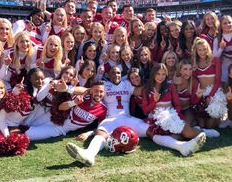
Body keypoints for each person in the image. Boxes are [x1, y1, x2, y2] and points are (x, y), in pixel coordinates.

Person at [66, 66, 206, 166]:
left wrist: (165, 83)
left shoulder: (127, 84)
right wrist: (68, 88)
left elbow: (146, 88)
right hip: (110, 120)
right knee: (101, 133)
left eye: (119, 73)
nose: (116, 76)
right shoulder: (105, 85)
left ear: (122, 74)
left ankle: (182, 147)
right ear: (108, 75)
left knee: (152, 131)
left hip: (128, 119)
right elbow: (85, 90)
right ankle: (89, 154)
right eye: (113, 73)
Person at [25, 80, 107, 141]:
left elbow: (101, 128)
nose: (98, 94)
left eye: (101, 92)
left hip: (62, 128)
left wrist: (87, 134)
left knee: (29, 134)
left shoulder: (103, 109)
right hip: (55, 116)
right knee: (28, 125)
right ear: (91, 91)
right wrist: (74, 102)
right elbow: (60, 107)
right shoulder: (83, 97)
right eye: (96, 91)